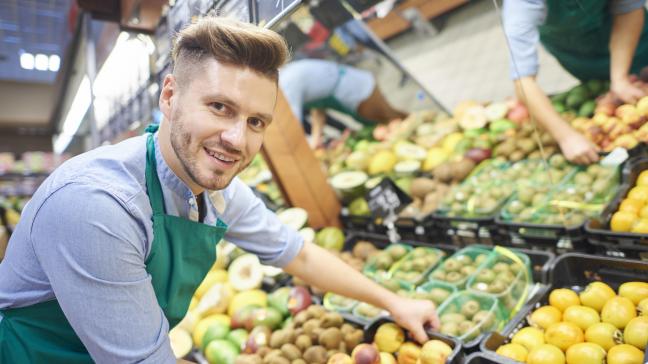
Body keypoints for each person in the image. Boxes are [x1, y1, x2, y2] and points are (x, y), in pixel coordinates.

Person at [0, 17, 439, 363]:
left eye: (255, 122)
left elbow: (298, 253)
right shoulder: (98, 206)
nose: (236, 139)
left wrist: (394, 302)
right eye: (219, 107)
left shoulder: (216, 190)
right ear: (170, 97)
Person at [502, 0, 648, 164]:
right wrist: (566, 137)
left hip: (635, 41)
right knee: (600, 90)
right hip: (579, 54)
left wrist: (619, 78)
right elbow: (523, 80)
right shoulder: (521, 4)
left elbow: (628, 9)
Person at [280, 59, 408, 147]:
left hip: (359, 91)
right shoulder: (288, 77)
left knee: (395, 122)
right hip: (355, 91)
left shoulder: (286, 83)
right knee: (386, 129)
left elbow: (292, 126)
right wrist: (316, 138)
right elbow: (318, 108)